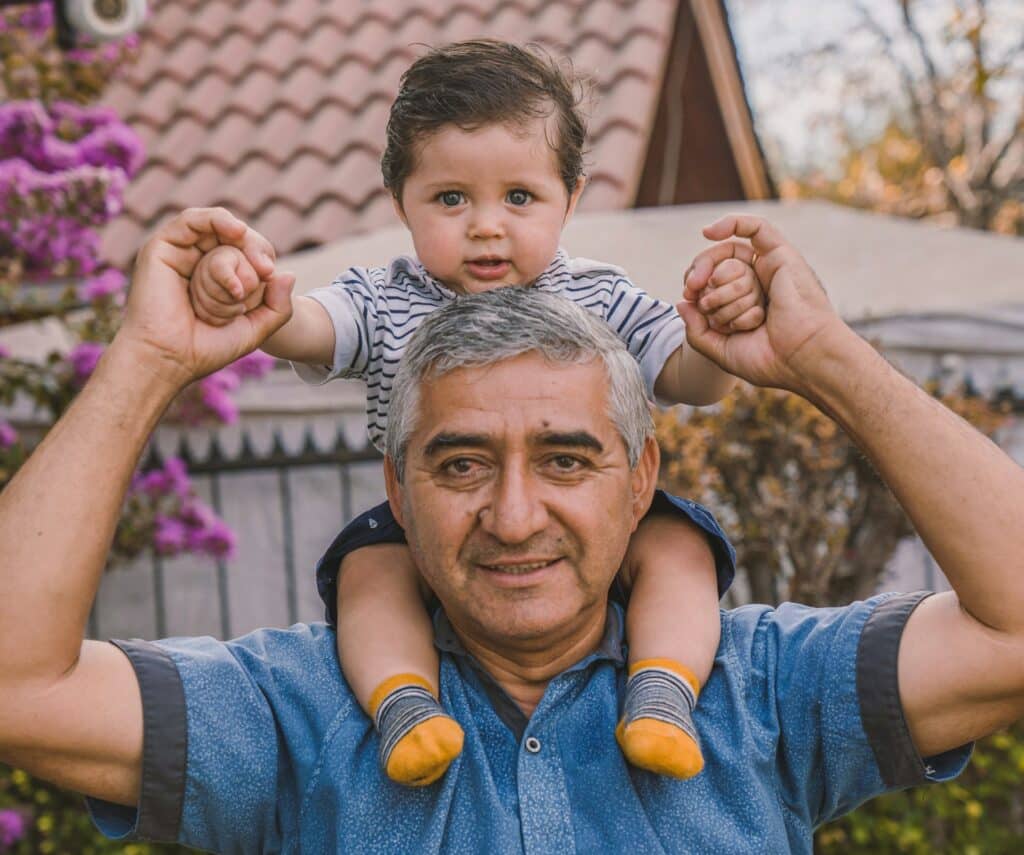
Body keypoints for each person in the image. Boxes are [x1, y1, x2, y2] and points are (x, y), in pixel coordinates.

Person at [2, 208, 1024, 853]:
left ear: (641, 482)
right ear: (396, 494)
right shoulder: (293, 718)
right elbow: (17, 688)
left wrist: (821, 356)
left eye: (567, 458)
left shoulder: (763, 691)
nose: (514, 516)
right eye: (460, 464)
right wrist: (144, 360)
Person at [187, 39, 762, 786]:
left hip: (596, 520)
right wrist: (254, 298)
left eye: (519, 197)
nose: (487, 225)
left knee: (681, 547)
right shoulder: (384, 295)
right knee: (368, 569)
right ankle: (404, 705)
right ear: (401, 203)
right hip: (430, 525)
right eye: (451, 198)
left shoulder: (598, 294)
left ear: (571, 198)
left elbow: (690, 376)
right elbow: (310, 327)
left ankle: (661, 689)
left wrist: (720, 334)